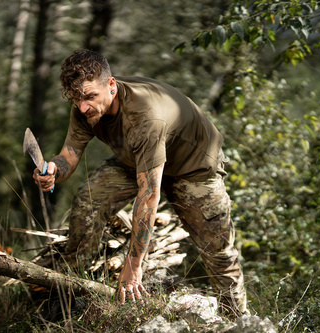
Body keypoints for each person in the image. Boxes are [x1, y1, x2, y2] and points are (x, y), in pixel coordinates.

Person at [33, 49, 248, 316]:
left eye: (89, 97)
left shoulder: (146, 116)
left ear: (111, 85)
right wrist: (54, 169)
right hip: (138, 158)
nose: (83, 106)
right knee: (89, 198)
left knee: (218, 251)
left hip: (194, 168)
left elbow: (149, 197)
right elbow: (69, 156)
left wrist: (133, 266)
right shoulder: (85, 107)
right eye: (76, 99)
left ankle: (237, 320)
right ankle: (68, 292)